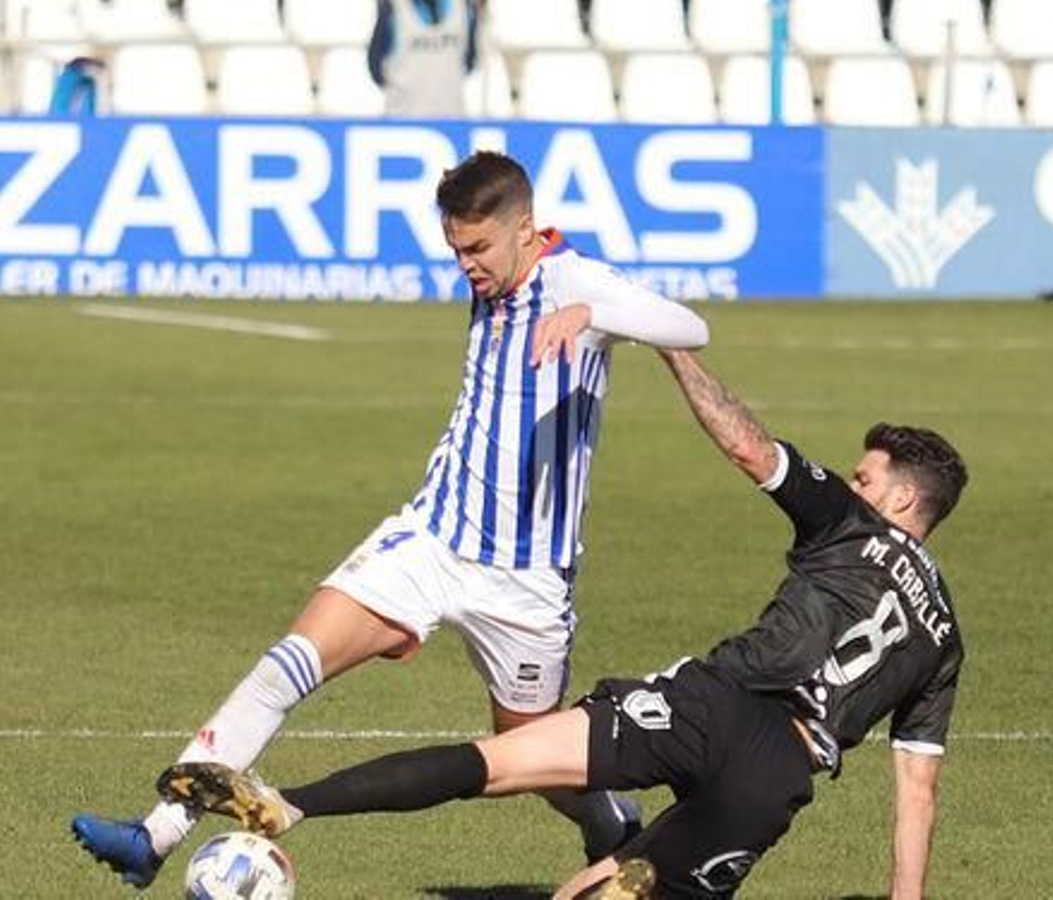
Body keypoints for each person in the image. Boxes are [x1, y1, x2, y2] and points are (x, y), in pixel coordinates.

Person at [71, 149, 711, 889]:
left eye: (478, 248)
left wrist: (591, 314)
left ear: (526, 229)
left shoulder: (578, 280)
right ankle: (153, 837)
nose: (466, 265)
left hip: (528, 581)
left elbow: (689, 326)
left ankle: (608, 820)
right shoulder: (496, 275)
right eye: (455, 250)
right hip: (431, 538)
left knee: (531, 752)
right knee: (292, 660)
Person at [157, 348, 970, 899]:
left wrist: (673, 348)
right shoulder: (944, 638)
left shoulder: (851, 524)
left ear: (901, 499)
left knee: (496, 762)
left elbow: (749, 447)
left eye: (866, 476)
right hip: (778, 776)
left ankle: (294, 804)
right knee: (600, 888)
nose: (854, 482)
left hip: (710, 705)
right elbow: (918, 789)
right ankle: (628, 874)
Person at [368, 0, 481, 118]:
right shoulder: (392, 8)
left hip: (451, 118)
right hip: (403, 120)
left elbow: (470, 59)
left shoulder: (465, 7)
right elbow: (375, 65)